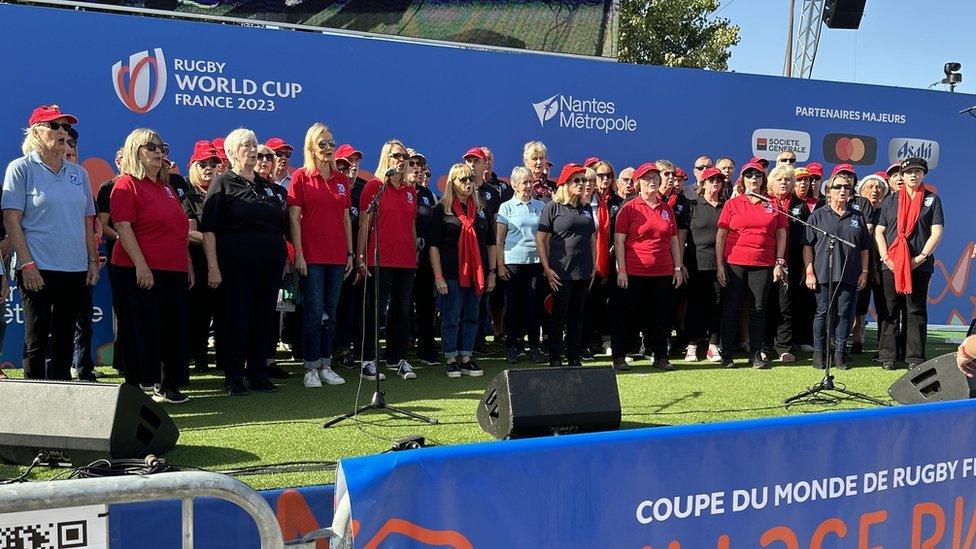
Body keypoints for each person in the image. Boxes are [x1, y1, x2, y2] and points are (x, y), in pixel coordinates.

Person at [3, 105, 96, 381]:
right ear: (36, 132)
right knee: (37, 337)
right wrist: (27, 264)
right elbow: (11, 220)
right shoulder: (20, 168)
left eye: (65, 127)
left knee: (65, 337)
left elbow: (86, 221)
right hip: (38, 266)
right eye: (54, 126)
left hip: (75, 267)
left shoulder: (80, 174)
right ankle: (34, 400)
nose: (62, 132)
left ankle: (62, 394)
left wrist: (92, 261)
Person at [200, 129, 287, 396]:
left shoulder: (267, 186)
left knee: (263, 319)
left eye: (254, 145)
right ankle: (234, 376)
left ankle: (258, 373)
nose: (252, 150)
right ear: (231, 153)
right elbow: (209, 230)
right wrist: (213, 267)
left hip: (269, 266)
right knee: (236, 319)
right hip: (235, 265)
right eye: (246, 146)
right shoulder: (223, 183)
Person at [110, 128, 192, 403]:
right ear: (136, 152)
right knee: (141, 329)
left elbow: (178, 229)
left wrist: (188, 263)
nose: (159, 152)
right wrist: (141, 266)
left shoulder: (167, 188)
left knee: (173, 328)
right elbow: (123, 227)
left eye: (162, 147)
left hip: (174, 270)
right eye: (151, 147)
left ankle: (169, 385)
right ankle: (136, 386)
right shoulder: (126, 185)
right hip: (138, 270)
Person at [288, 123, 352, 388]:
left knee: (331, 313)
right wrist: (299, 254)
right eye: (322, 144)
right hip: (312, 257)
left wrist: (349, 253)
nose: (328, 148)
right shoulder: (301, 177)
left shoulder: (341, 180)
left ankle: (326, 364)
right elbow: (294, 219)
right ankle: (311, 367)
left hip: (337, 256)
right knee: (314, 313)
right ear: (312, 148)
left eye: (331, 143)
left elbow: (346, 219)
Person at [612, 162, 685, 371]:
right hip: (634, 271)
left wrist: (678, 268)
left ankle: (660, 357)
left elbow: (673, 240)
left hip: (662, 271)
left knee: (661, 317)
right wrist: (622, 270)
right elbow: (619, 241)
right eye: (647, 178)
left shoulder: (666, 209)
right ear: (638, 183)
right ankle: (619, 357)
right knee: (627, 316)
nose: (652, 182)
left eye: (655, 178)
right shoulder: (629, 208)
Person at [355, 139, 417, 382]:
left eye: (404, 156)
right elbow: (364, 224)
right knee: (375, 310)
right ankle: (369, 359)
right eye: (396, 156)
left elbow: (411, 225)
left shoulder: (410, 190)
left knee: (402, 310)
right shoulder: (374, 186)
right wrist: (361, 257)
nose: (401, 160)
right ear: (386, 158)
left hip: (406, 260)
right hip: (378, 258)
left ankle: (397, 358)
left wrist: (414, 254)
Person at [715, 160, 787, 369]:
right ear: (742, 180)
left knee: (758, 309)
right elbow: (721, 235)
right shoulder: (732, 204)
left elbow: (781, 234)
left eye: (757, 176)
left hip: (763, 263)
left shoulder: (774, 203)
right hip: (734, 262)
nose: (753, 179)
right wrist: (720, 264)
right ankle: (726, 353)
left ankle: (755, 354)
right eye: (749, 176)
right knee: (732, 308)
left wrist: (779, 262)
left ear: (764, 180)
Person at [875, 157, 944, 370]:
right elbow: (879, 231)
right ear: (902, 177)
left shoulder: (932, 199)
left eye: (918, 171)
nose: (913, 175)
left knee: (915, 310)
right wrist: (886, 257)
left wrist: (921, 257)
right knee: (890, 309)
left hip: (919, 264)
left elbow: (937, 231)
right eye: (909, 172)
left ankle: (914, 357)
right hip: (892, 263)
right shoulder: (890, 201)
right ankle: (888, 355)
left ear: (923, 174)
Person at [429, 163, 497, 377]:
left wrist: (492, 272)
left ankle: (466, 357)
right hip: (451, 274)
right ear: (453, 183)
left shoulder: (481, 208)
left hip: (477, 273)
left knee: (472, 316)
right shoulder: (442, 210)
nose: (469, 183)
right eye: (463, 179)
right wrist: (438, 277)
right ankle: (450, 357)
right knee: (451, 317)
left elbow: (491, 243)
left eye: (471, 178)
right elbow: (433, 246)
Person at [803, 175, 870, 370]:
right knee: (822, 313)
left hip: (849, 274)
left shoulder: (857, 216)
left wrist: (864, 271)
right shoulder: (817, 215)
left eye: (847, 187)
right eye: (838, 187)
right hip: (823, 273)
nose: (843, 190)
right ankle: (819, 353)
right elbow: (807, 246)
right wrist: (809, 272)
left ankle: (840, 353)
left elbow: (864, 247)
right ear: (828, 191)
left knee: (844, 314)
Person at [536, 163, 595, 368]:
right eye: (576, 180)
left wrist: (594, 266)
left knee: (577, 316)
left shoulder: (586, 208)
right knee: (558, 316)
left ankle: (574, 357)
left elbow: (591, 238)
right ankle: (555, 357)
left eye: (584, 180)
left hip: (583, 271)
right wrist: (547, 268)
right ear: (565, 184)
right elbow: (541, 239)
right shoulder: (552, 207)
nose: (582, 184)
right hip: (560, 272)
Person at [497, 166, 546, 365]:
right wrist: (500, 265)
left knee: (533, 307)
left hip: (535, 263)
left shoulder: (540, 206)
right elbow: (499, 240)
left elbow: (545, 238)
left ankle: (535, 346)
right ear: (514, 184)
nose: (528, 186)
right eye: (523, 182)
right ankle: (513, 347)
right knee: (513, 308)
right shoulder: (506, 207)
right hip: (513, 263)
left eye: (530, 182)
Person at [182, 140, 219, 372]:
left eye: (213, 164)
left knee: (223, 312)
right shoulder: (187, 197)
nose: (209, 169)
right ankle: (199, 358)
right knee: (199, 313)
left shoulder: (222, 194)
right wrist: (216, 240)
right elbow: (188, 232)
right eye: (203, 164)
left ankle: (224, 358)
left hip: (225, 262)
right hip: (199, 262)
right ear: (193, 167)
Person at [583, 161, 624, 359]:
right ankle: (586, 341)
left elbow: (621, 232)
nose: (604, 179)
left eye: (608, 175)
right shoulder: (584, 200)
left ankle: (607, 340)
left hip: (611, 259)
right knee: (587, 302)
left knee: (609, 302)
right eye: (600, 176)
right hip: (588, 258)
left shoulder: (617, 201)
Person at [684, 167, 725, 363]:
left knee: (717, 306)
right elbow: (681, 236)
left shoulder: (727, 206)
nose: (714, 183)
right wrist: (679, 264)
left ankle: (713, 346)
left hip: (719, 265)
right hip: (695, 264)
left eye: (718, 180)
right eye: (711, 180)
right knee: (694, 306)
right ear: (703, 183)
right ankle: (691, 345)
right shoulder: (692, 205)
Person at [762, 164, 801, 363]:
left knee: (785, 306)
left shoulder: (799, 205)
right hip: (765, 260)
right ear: (771, 183)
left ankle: (783, 347)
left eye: (787, 180)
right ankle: (763, 345)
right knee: (764, 304)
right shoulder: (763, 202)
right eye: (779, 180)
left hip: (791, 261)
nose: (784, 183)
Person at [333, 144, 367, 368]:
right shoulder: (333, 186)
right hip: (334, 254)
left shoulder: (364, 189)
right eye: (346, 163)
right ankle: (327, 351)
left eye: (355, 161)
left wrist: (360, 258)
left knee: (352, 307)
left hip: (357, 257)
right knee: (333, 306)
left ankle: (348, 350)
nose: (352, 166)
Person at [850, 173, 888, 356]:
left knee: (885, 307)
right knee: (859, 305)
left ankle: (885, 345)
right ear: (861, 190)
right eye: (870, 187)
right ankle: (857, 340)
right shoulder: (853, 211)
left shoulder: (887, 210)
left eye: (879, 187)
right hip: (861, 265)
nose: (874, 190)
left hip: (883, 266)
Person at [97, 148, 125, 374]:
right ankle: (122, 362)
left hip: (149, 256)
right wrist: (123, 237)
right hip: (120, 256)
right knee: (122, 309)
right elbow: (102, 225)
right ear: (117, 161)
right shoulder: (107, 187)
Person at [411, 150, 439, 366]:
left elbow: (433, 227)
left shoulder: (428, 195)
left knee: (426, 304)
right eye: (413, 164)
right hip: (402, 257)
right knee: (400, 306)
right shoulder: (397, 191)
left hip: (425, 260)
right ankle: (399, 349)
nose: (418, 169)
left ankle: (426, 348)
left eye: (421, 165)